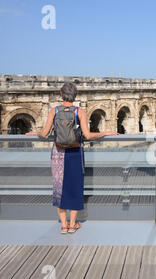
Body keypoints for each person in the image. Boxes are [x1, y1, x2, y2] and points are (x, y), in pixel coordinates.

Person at [26, 82, 118, 234]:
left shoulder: (54, 110)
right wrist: (106, 132)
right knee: (75, 187)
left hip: (58, 154)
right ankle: (73, 224)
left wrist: (33, 133)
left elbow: (44, 134)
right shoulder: (79, 112)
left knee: (59, 188)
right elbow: (88, 136)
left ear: (61, 95)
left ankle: (63, 225)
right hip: (75, 153)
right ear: (75, 96)